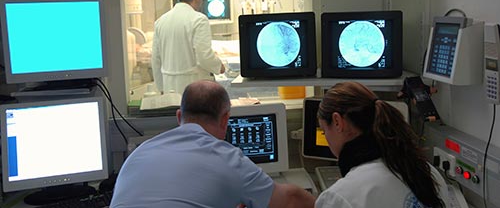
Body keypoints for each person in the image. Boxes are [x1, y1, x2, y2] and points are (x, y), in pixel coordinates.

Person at [110, 80, 316, 208]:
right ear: (225, 119)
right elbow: (290, 201)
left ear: (179, 116)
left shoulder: (140, 152)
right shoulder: (226, 158)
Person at [315, 81, 450, 208]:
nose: (327, 138)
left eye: (324, 130)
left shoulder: (341, 197)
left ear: (337, 122)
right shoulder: (429, 173)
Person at [151, 0, 225, 95]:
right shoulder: (199, 19)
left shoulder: (161, 21)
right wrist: (219, 66)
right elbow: (204, 56)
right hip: (194, 89)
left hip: (169, 88)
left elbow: (155, 60)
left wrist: (161, 88)